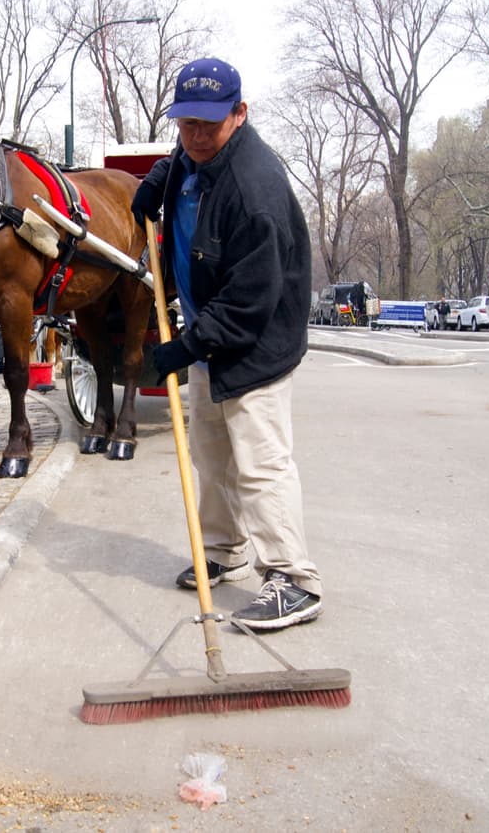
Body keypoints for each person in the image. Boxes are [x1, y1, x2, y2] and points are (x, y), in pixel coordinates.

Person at [129, 57, 321, 631]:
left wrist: (185, 348)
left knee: (260, 464)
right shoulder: (195, 152)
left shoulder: (254, 190)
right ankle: (224, 549)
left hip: (254, 343)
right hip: (213, 335)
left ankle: (294, 579)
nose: (195, 136)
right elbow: (184, 155)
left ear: (240, 114)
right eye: (185, 124)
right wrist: (160, 178)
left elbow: (248, 304)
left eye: (208, 125)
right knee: (210, 453)